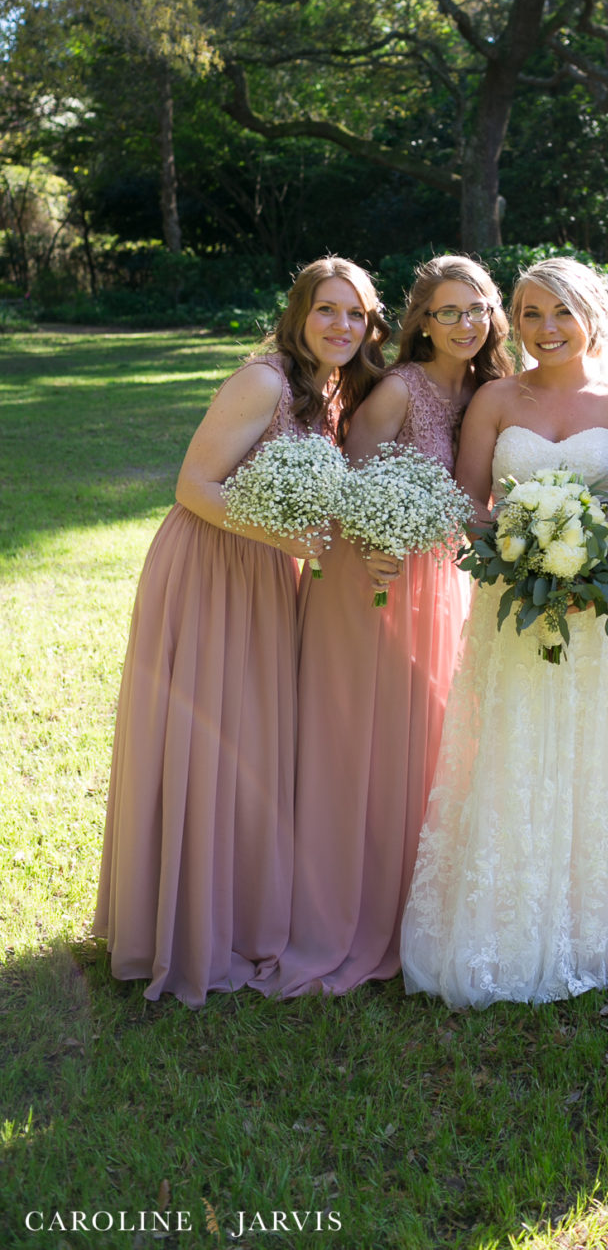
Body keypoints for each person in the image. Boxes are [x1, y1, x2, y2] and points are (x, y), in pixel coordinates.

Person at [94, 257, 388, 1006]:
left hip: (263, 571)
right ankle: (183, 929)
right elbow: (192, 484)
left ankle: (230, 912)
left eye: (356, 314)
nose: (342, 326)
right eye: (328, 310)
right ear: (299, 314)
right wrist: (284, 538)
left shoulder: (328, 391)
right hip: (211, 566)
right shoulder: (263, 380)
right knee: (209, 735)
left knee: (249, 739)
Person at [400, 257, 608, 1008]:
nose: (548, 329)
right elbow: (470, 502)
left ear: (593, 316)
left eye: (563, 313)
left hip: (596, 617)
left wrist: (588, 574)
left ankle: (582, 934)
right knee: (507, 754)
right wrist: (520, 562)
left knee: (587, 759)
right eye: (533, 313)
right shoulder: (495, 398)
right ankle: (495, 933)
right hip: (512, 608)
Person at [267, 255, 512, 997]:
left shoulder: (487, 390)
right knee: (360, 741)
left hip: (439, 580)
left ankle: (412, 908)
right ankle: (343, 909)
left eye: (477, 309)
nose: (465, 324)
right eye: (448, 312)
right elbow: (353, 483)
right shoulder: (399, 389)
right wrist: (378, 548)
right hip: (368, 579)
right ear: (421, 323)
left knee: (425, 739)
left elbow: (472, 500)